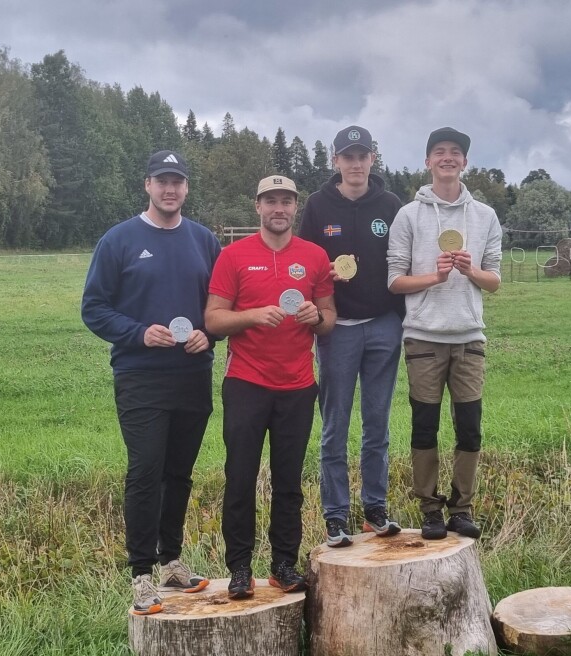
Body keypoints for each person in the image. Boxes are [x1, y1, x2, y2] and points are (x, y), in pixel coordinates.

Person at [82, 150, 219, 615]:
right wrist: (138, 333)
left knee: (178, 474)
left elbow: (219, 306)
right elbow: (94, 308)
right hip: (140, 376)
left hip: (192, 376)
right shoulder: (119, 240)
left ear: (185, 188)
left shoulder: (203, 240)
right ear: (147, 185)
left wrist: (210, 333)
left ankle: (172, 562)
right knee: (145, 472)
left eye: (177, 182)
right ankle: (141, 575)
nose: (170, 189)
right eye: (162, 181)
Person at [205, 175, 336, 599]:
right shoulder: (233, 255)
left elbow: (330, 320)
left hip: (298, 385)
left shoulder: (315, 256)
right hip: (245, 382)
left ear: (295, 208)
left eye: (286, 201)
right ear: (257, 206)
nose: (278, 208)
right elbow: (213, 320)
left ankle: (284, 564)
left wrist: (316, 315)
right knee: (239, 477)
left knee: (289, 482)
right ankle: (240, 568)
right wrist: (253, 316)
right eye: (270, 201)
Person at [386, 127, 502, 540]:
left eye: (455, 152)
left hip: (469, 338)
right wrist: (432, 278)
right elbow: (394, 282)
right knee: (424, 425)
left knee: (470, 426)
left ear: (465, 162)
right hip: (423, 338)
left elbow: (494, 282)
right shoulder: (409, 215)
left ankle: (462, 507)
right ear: (428, 161)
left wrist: (471, 271)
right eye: (439, 152)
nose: (447, 158)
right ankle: (430, 508)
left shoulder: (485, 216)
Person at [298, 125, 404, 548]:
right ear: (336, 161)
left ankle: (375, 508)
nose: (356, 163)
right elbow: (305, 262)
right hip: (337, 328)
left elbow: (405, 259)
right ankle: (336, 515)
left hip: (383, 324)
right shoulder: (318, 206)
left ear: (372, 159)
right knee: (335, 424)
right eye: (348, 156)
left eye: (362, 156)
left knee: (377, 423)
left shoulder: (391, 204)